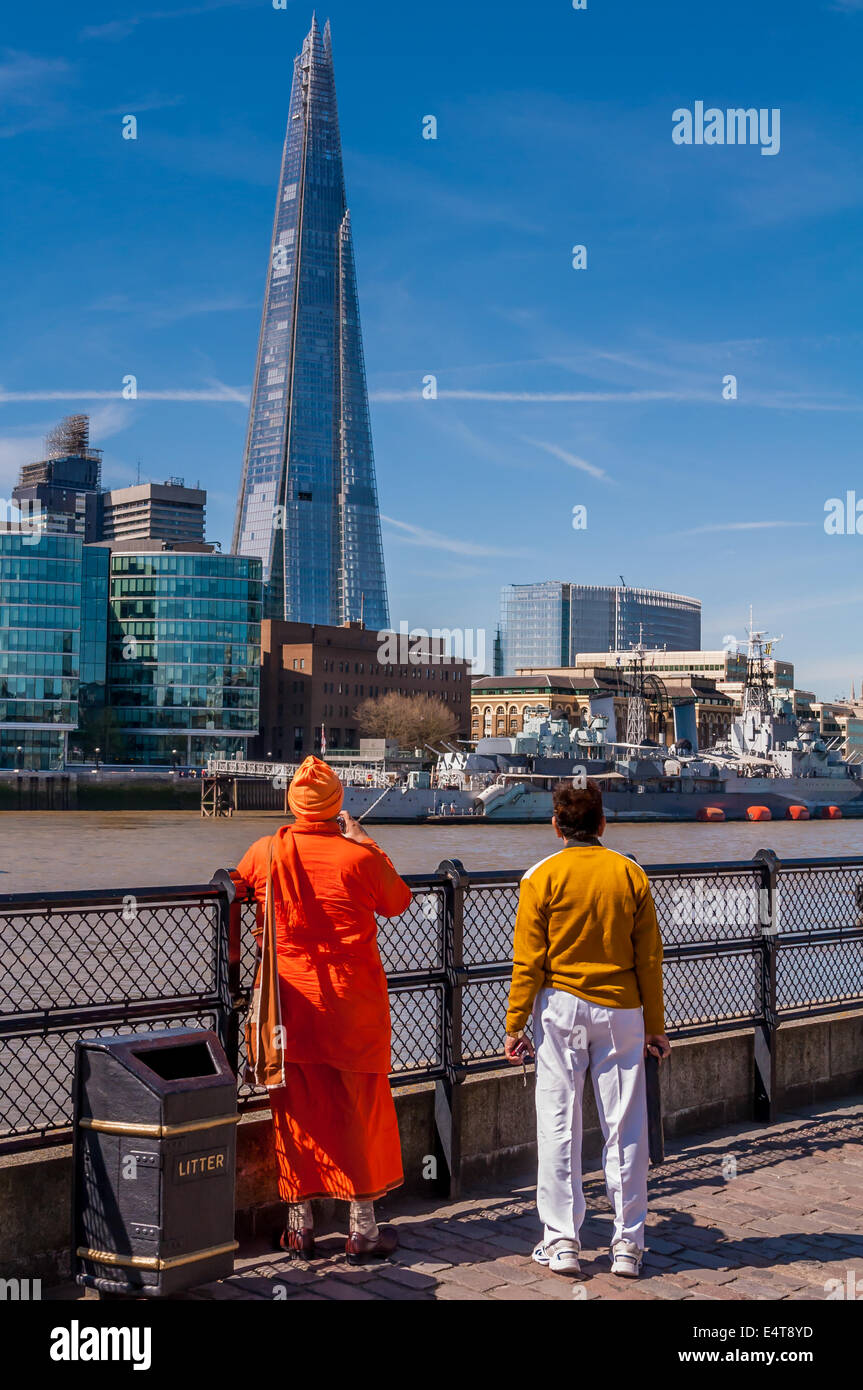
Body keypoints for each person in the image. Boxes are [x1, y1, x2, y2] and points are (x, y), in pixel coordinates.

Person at [234, 756, 412, 1263]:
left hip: (288, 1009)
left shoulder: (267, 851)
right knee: (362, 1111)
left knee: (295, 1113)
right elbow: (398, 900)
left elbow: (236, 884)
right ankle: (363, 1229)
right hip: (353, 1006)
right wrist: (364, 841)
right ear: (337, 806)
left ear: (292, 803)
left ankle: (300, 1228)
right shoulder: (358, 858)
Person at [504, 779, 670, 1280]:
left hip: (561, 1011)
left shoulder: (540, 877)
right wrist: (655, 1027)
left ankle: (562, 1243)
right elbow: (650, 959)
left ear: (556, 826)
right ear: (602, 824)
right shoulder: (630, 874)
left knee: (559, 1122)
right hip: (622, 1010)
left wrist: (515, 1025)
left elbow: (528, 961)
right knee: (625, 1126)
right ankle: (628, 1245)